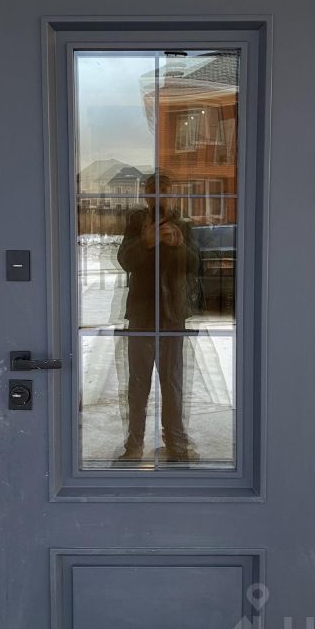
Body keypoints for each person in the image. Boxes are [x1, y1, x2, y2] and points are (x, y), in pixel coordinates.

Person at [116, 171, 200, 464]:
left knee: (172, 382)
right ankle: (134, 444)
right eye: (153, 192)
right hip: (142, 315)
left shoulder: (183, 225)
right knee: (138, 383)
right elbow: (125, 261)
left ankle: (175, 442)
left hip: (172, 316)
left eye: (164, 192)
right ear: (145, 196)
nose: (159, 199)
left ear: (173, 197)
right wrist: (145, 242)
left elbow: (195, 265)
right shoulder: (136, 223)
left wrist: (179, 245)